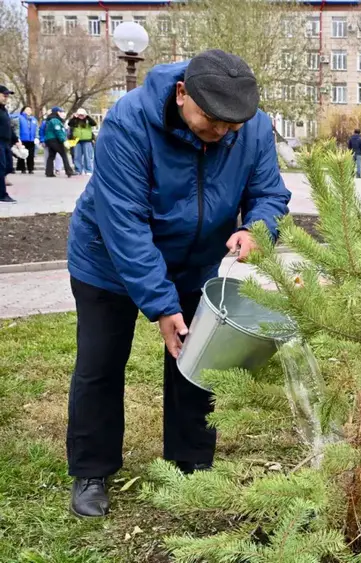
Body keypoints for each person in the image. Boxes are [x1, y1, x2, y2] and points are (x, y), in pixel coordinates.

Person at [65, 49, 291, 518]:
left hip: (198, 263)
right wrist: (163, 307)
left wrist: (257, 229)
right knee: (100, 362)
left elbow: (268, 193)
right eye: (213, 121)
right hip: (107, 261)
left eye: (233, 124)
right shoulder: (130, 121)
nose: (223, 132)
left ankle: (191, 464)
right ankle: (92, 469)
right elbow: (123, 222)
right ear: (183, 94)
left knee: (198, 360)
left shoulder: (248, 125)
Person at [44, 107, 74, 178]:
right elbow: (58, 131)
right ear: (58, 112)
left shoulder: (51, 119)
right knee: (64, 154)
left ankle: (49, 172)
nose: (64, 114)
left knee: (51, 156)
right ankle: (69, 171)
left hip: (50, 140)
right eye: (62, 112)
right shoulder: (55, 120)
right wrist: (64, 140)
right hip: (55, 140)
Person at [0, 85, 18, 202]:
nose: (6, 97)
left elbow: (8, 127)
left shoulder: (3, 110)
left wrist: (16, 140)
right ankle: (2, 194)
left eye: (7, 95)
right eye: (4, 95)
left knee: (8, 167)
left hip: (6, 142)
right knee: (1, 168)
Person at [68, 108, 97, 175]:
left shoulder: (88, 120)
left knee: (88, 156)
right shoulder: (75, 121)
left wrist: (87, 116)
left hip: (87, 140)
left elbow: (94, 123)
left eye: (82, 114)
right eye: (79, 114)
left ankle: (88, 170)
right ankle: (78, 170)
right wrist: (74, 117)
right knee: (77, 157)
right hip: (77, 140)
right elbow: (70, 124)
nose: (81, 116)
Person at [14, 106, 38, 174]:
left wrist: (36, 137)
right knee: (22, 154)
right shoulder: (19, 118)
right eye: (27, 110)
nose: (29, 111)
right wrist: (17, 138)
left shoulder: (34, 119)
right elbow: (17, 128)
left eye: (30, 110)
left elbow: (36, 129)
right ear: (23, 111)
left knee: (31, 155)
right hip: (22, 139)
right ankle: (22, 169)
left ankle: (30, 169)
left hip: (31, 139)